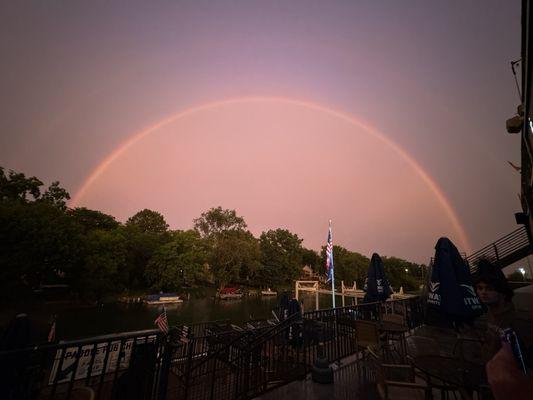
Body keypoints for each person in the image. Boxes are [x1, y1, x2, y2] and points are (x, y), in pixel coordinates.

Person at [473, 259, 533, 369]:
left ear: (502, 292)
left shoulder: (516, 320)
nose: (483, 292)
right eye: (479, 288)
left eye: (489, 288)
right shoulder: (491, 313)